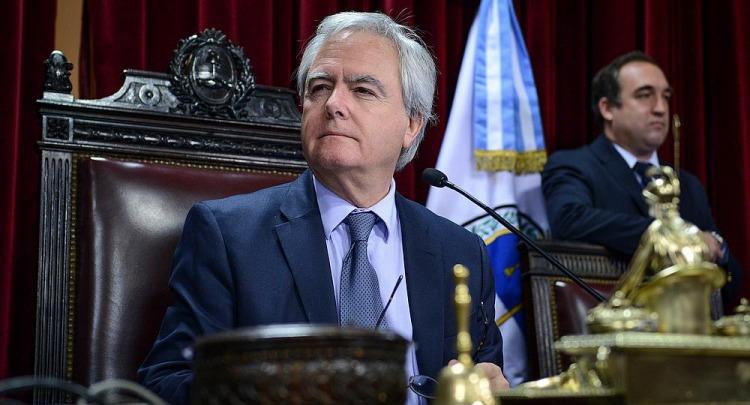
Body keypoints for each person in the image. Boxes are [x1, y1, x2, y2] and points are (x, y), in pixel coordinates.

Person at [138, 11, 507, 404]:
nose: (333, 104)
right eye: (319, 87)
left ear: (412, 123)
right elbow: (165, 384)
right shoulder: (227, 237)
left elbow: (484, 377)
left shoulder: (460, 253)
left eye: (362, 90)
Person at [542, 51, 741, 308]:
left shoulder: (687, 184)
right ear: (607, 108)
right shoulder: (575, 165)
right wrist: (673, 237)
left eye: (665, 96)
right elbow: (569, 219)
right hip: (615, 320)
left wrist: (719, 250)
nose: (660, 108)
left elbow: (729, 281)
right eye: (645, 95)